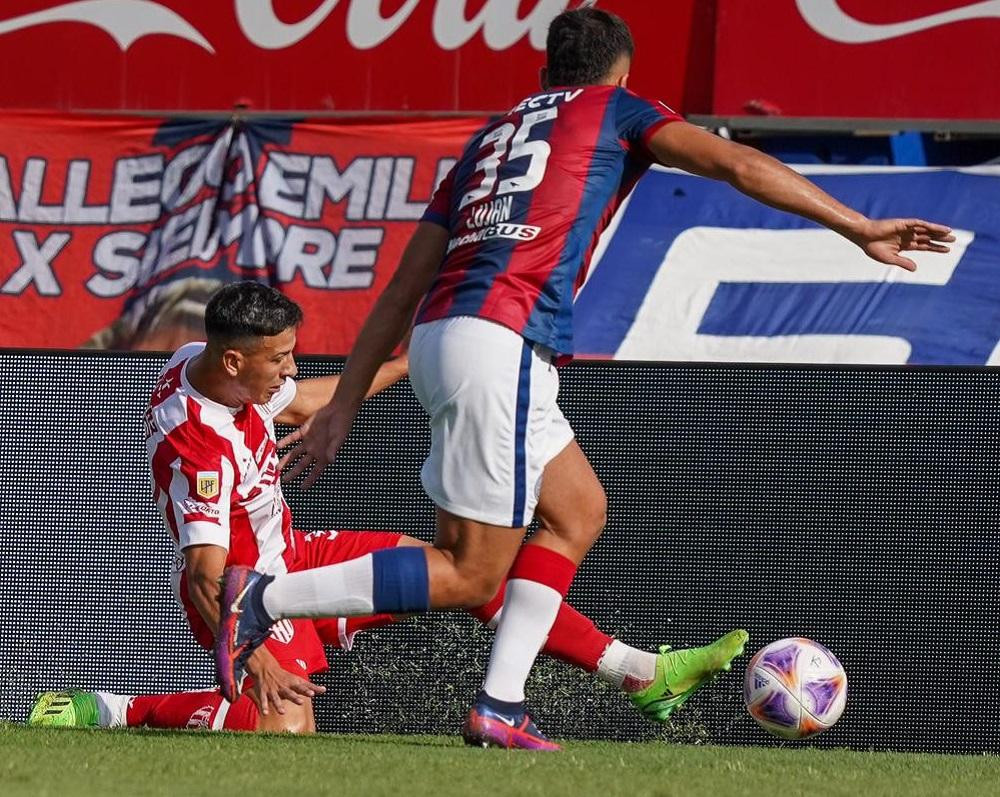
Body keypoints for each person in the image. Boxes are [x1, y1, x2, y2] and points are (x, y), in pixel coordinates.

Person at [216, 7, 954, 750]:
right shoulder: (619, 109)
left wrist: (346, 398)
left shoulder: (489, 139)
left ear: (544, 76)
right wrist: (857, 225)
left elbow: (404, 284)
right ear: (624, 72)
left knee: (576, 509)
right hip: (499, 342)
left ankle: (500, 703)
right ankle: (263, 597)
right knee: (471, 574)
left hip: (449, 338)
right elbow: (736, 163)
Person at [28, 281, 745, 736]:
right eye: (279, 357)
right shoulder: (199, 450)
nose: (290, 367)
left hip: (298, 554)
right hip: (249, 593)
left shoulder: (209, 360)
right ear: (237, 363)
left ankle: (639, 671)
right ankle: (117, 707)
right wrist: (254, 660)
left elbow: (304, 401)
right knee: (284, 731)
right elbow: (207, 578)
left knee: (468, 571)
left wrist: (407, 368)